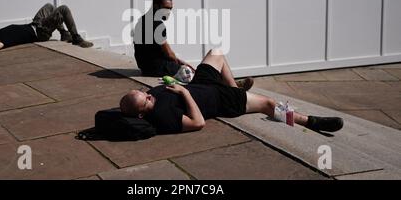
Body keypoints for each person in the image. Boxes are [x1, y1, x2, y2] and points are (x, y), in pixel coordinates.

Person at [120, 49, 344, 134]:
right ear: (141, 114)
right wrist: (184, 94)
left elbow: (160, 89)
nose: (150, 96)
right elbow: (198, 123)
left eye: (145, 93)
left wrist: (179, 81)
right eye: (146, 101)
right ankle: (310, 122)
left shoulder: (150, 99)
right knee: (267, 104)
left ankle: (234, 84)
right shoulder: (163, 117)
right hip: (221, 100)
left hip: (202, 84)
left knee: (216, 52)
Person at [0, 3, 93, 53]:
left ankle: (64, 33)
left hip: (35, 24)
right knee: (63, 9)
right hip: (40, 32)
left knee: (49, 7)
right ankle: (76, 38)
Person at [133, 0, 194, 77]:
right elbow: (169, 54)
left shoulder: (143, 19)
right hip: (156, 68)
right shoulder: (157, 24)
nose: (168, 12)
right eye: (165, 8)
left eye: (170, 9)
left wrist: (178, 61)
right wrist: (178, 64)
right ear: (156, 6)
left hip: (145, 67)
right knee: (190, 72)